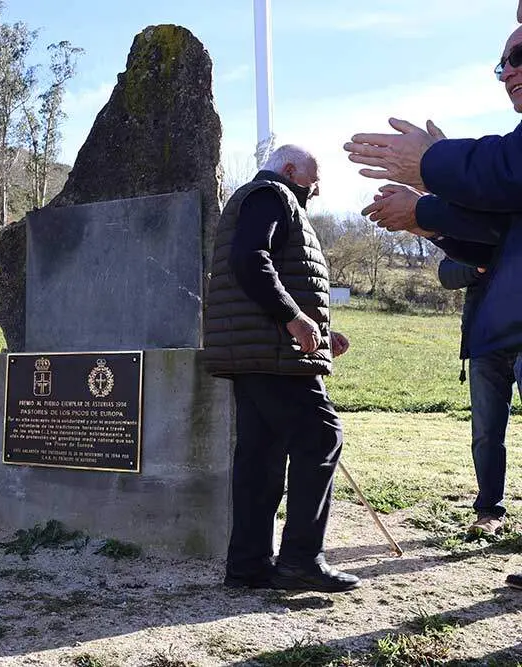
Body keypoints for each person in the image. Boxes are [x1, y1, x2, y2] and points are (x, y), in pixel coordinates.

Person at [345, 21, 522, 589]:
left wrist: (431, 167)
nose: (506, 72)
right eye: (500, 64)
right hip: (496, 333)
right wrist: (428, 212)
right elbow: (490, 234)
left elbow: (502, 175)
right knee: (485, 434)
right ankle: (487, 505)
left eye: (516, 55)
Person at [202, 145, 360, 593]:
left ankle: (249, 566)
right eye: (315, 175)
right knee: (321, 434)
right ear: (291, 169)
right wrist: (294, 317)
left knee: (261, 456)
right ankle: (300, 560)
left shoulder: (265, 199)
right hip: (274, 355)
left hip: (259, 352)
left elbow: (271, 278)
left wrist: (321, 334)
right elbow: (251, 260)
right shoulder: (271, 194)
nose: (318, 186)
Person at [439, 258, 516, 536]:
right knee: (485, 433)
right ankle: (489, 512)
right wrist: (476, 266)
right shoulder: (475, 227)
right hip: (486, 344)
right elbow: (446, 274)